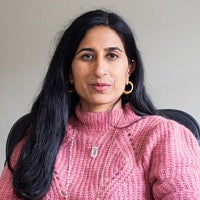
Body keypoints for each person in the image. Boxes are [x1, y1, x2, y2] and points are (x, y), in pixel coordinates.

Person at [0, 9, 200, 200]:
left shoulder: (164, 136)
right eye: (87, 56)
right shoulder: (37, 138)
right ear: (69, 72)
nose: (100, 70)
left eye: (112, 55)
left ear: (129, 68)